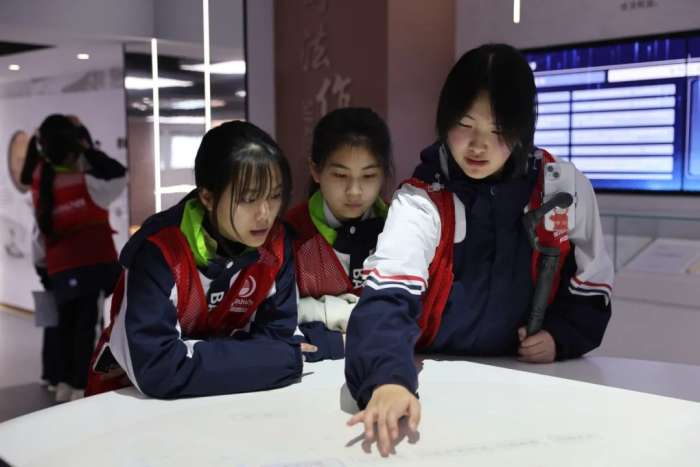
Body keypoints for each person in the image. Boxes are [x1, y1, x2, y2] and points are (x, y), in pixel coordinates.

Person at [344, 43, 614, 455]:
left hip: (524, 385)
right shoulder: (423, 199)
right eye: (465, 124)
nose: (477, 145)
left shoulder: (562, 188)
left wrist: (560, 336)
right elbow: (387, 295)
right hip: (432, 375)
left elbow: (591, 285)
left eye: (498, 130)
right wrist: (387, 380)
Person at [85, 121, 328, 399]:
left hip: (234, 399)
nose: (265, 214)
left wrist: (188, 350)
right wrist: (262, 357)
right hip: (130, 400)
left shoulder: (276, 245)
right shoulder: (160, 250)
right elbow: (158, 368)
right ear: (208, 197)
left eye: (274, 196)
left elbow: (277, 342)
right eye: (249, 199)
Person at [24, 114, 126, 402]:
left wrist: (42, 269)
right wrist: (86, 146)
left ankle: (63, 383)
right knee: (85, 329)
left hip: (58, 268)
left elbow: (39, 235)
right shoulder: (89, 184)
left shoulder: (41, 184)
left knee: (64, 327)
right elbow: (118, 173)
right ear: (74, 152)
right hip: (91, 267)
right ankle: (80, 386)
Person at [285, 107, 393, 355]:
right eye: (341, 175)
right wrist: (361, 314)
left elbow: (413, 310)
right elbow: (281, 312)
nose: (354, 191)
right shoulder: (290, 234)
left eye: (368, 175)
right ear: (315, 170)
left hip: (385, 362)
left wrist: (317, 309)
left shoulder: (399, 228)